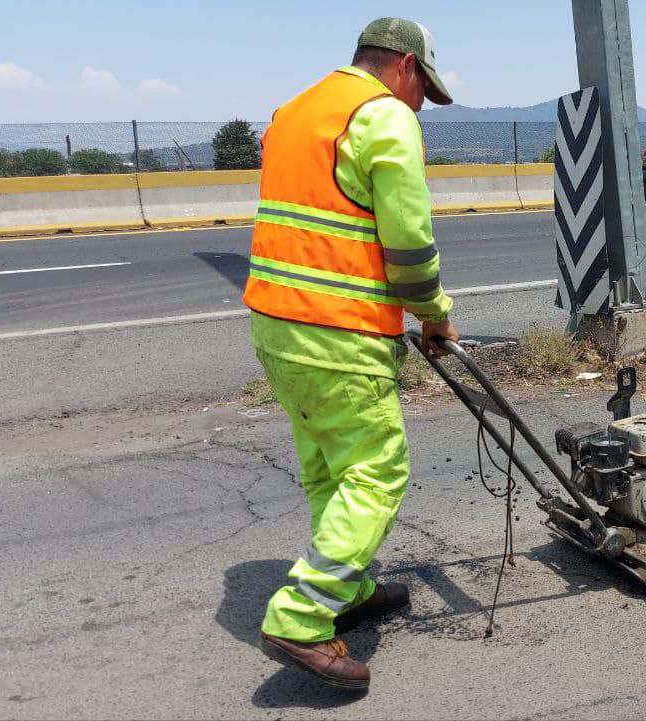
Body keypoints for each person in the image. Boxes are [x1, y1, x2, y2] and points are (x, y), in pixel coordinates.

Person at [242, 17, 460, 690]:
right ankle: (303, 615)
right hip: (339, 331)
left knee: (329, 468)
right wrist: (435, 317)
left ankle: (352, 584)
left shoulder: (294, 113)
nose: (422, 100)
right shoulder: (384, 117)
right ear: (403, 66)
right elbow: (409, 246)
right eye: (424, 84)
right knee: (376, 470)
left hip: (276, 326)